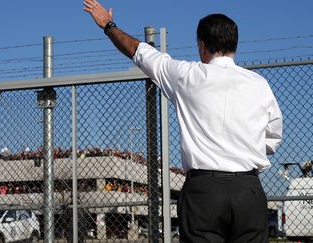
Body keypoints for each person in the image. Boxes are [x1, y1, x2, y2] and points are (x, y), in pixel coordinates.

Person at [83, 1, 283, 243]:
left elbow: (139, 52)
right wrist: (243, 149)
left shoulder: (186, 76)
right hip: (248, 190)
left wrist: (108, 25)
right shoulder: (259, 84)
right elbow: (273, 137)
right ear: (235, 45)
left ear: (202, 46)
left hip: (204, 191)